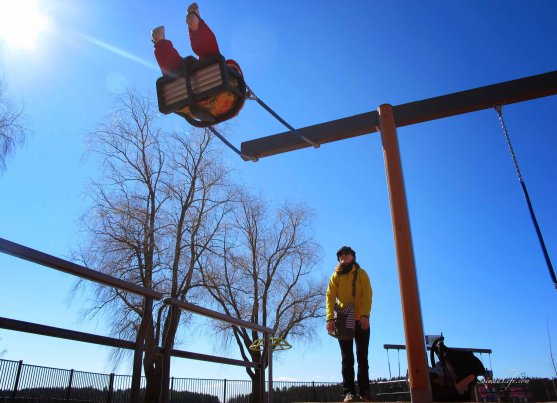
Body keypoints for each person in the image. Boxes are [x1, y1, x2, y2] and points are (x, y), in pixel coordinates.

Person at [326, 246, 373, 402]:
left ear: (353, 256)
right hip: (344, 320)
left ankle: (365, 392)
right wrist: (329, 318)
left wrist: (366, 314)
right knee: (347, 358)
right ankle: (348, 393)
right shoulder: (335, 277)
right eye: (340, 255)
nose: (343, 256)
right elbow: (330, 297)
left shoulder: (361, 274)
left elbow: (367, 294)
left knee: (362, 357)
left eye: (346, 254)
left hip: (361, 320)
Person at [152, 3, 241, 76]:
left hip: (185, 88)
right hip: (211, 79)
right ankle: (197, 28)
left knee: (175, 67)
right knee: (214, 58)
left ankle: (161, 45)